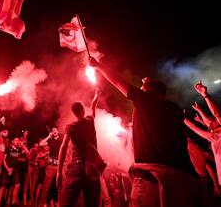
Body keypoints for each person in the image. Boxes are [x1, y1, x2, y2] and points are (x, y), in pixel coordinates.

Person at [90, 57, 217, 207]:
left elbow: (119, 83)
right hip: (183, 180)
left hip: (153, 180)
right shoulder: (174, 109)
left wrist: (98, 66)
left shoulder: (146, 101)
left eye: (142, 89)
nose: (140, 90)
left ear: (149, 93)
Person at [56, 88, 101, 207]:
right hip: (92, 167)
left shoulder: (71, 127)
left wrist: (59, 172)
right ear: (82, 110)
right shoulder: (90, 120)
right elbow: (93, 106)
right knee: (92, 203)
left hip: (77, 167)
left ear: (73, 112)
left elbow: (63, 147)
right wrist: (96, 95)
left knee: (66, 202)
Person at [38, 127, 62, 207]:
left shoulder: (62, 140)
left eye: (55, 130)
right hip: (51, 166)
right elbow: (41, 144)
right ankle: (41, 204)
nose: (54, 131)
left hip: (60, 167)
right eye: (52, 130)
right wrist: (49, 136)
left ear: (58, 131)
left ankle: (58, 203)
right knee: (46, 187)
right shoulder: (50, 141)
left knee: (59, 187)